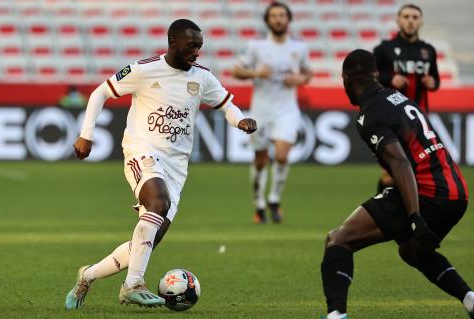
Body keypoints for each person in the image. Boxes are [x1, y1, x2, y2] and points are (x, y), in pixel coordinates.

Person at [65, 19, 257, 309]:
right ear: (173, 43)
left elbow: (226, 104)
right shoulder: (144, 69)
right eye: (192, 46)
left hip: (177, 167)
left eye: (200, 46)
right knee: (157, 202)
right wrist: (86, 135)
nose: (197, 52)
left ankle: (87, 275)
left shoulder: (203, 77)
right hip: (142, 150)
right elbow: (100, 92)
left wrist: (240, 119)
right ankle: (133, 285)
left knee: (144, 242)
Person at [319, 49, 471, 319]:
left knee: (338, 239)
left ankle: (335, 316)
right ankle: (470, 299)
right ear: (376, 73)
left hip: (426, 193)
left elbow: (401, 164)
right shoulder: (398, 97)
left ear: (345, 80)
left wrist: (414, 216)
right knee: (411, 250)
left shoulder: (369, 115)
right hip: (456, 192)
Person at [232, 1, 311, 224]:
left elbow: (307, 72)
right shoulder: (256, 45)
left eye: (282, 15)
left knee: (283, 156)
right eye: (274, 16)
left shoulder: (299, 46)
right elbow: (236, 71)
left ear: (288, 19)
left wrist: (300, 79)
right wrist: (256, 72)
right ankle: (259, 204)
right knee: (260, 160)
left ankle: (274, 200)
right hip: (261, 111)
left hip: (287, 110)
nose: (278, 19)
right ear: (268, 20)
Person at [373, 3, 440, 193]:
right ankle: (380, 211)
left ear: (421, 22)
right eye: (406, 17)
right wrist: (389, 78)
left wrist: (432, 83)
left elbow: (436, 80)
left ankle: (394, 212)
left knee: (414, 172)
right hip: (391, 118)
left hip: (418, 120)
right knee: (391, 173)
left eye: (414, 17)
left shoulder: (428, 51)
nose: (410, 21)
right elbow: (372, 77)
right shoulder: (384, 49)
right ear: (398, 20)